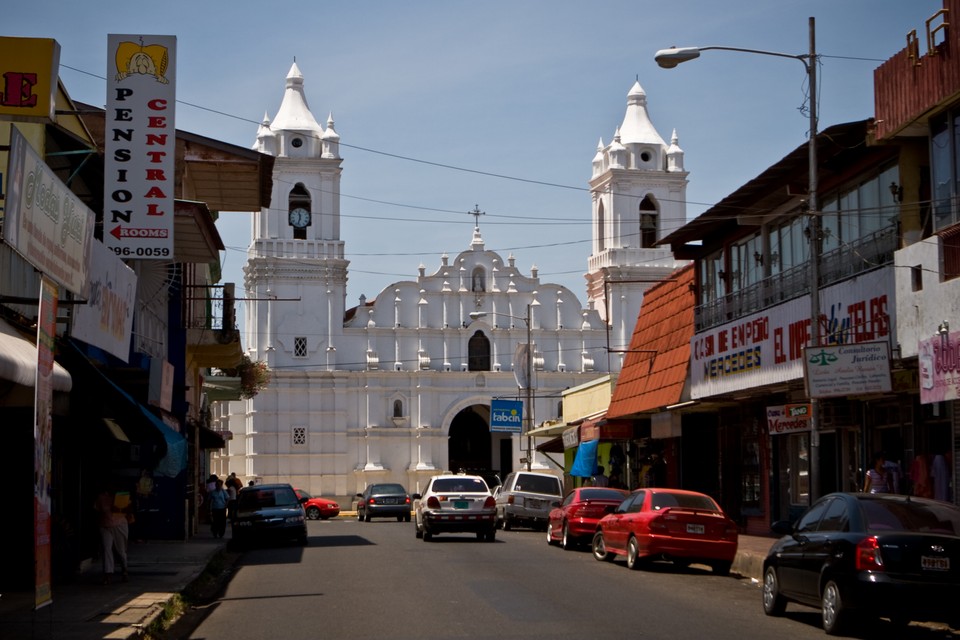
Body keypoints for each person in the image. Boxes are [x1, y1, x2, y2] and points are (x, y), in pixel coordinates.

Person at [93, 484, 130, 584]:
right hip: (105, 525)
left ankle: (124, 569)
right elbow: (97, 510)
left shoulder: (122, 497)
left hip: (119, 525)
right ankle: (107, 573)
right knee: (106, 549)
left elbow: (128, 510)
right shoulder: (101, 498)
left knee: (121, 550)